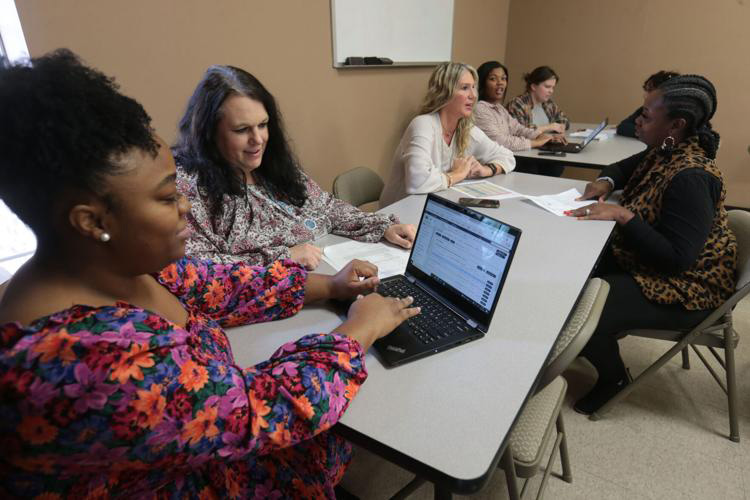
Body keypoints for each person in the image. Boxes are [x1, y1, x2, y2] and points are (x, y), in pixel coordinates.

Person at [0, 49, 420, 498]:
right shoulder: (79, 363)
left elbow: (221, 287)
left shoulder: (116, 264)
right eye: (167, 198)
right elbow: (261, 410)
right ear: (93, 221)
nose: (184, 208)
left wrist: (330, 286)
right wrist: (358, 332)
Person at [566, 74, 737, 415]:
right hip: (651, 262)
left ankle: (613, 379)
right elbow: (622, 167)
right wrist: (605, 181)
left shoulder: (691, 177)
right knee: (570, 274)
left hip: (689, 287)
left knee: (585, 304)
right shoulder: (665, 150)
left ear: (676, 123)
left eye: (646, 115)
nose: (637, 121)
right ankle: (580, 343)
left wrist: (624, 216)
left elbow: (677, 260)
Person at [174, 65, 416, 271]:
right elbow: (197, 268)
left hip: (327, 271)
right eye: (241, 129)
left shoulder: (272, 165)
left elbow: (325, 207)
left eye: (263, 125)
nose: (258, 139)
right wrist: (284, 257)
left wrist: (382, 226)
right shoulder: (189, 186)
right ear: (209, 133)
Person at [380, 62, 516, 207]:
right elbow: (417, 182)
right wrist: (458, 174)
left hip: (432, 208)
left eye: (473, 87)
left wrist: (486, 170)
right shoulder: (422, 124)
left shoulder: (465, 129)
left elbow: (508, 157)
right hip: (399, 215)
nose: (473, 95)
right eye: (465, 88)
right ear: (445, 92)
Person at [474, 61, 564, 151]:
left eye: (503, 78)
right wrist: (535, 142)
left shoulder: (500, 108)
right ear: (482, 83)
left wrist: (541, 136)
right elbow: (500, 141)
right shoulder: (480, 109)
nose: (500, 82)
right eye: (493, 79)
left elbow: (518, 129)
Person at [616, 70, 680, 138]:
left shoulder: (676, 114)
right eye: (646, 90)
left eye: (650, 91)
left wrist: (642, 131)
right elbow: (622, 127)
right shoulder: (646, 109)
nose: (645, 96)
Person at [506, 65, 570, 131]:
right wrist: (548, 127)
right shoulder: (517, 104)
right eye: (547, 87)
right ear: (533, 86)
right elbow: (520, 131)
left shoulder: (548, 103)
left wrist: (562, 126)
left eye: (553, 87)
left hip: (548, 141)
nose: (551, 91)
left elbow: (564, 119)